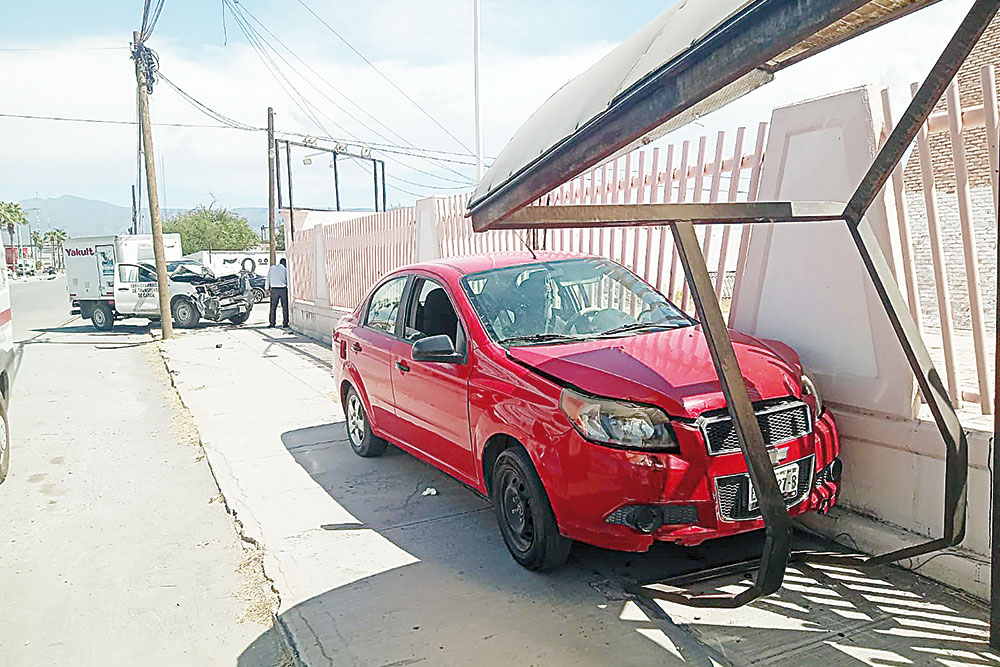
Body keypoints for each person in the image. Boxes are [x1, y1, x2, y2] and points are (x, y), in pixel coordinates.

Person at [266, 258, 289, 328]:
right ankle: (285, 323)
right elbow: (287, 280)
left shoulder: (272, 268)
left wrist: (266, 288)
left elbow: (268, 279)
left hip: (274, 289)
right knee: (285, 307)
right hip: (283, 289)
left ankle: (272, 323)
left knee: (273, 307)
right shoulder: (285, 270)